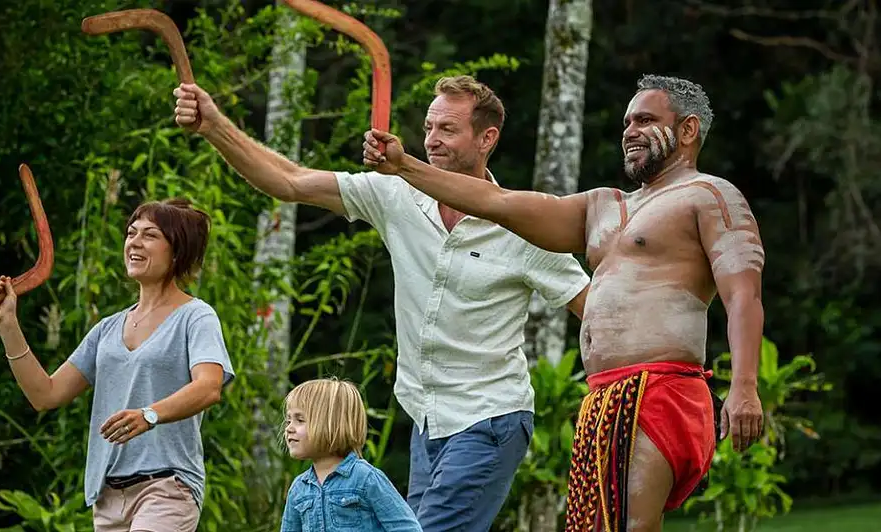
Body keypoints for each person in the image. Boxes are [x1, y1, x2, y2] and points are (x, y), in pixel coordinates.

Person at [173, 74, 590, 531]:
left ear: (487, 138)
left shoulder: (521, 224)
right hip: (425, 419)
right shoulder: (397, 196)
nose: (432, 140)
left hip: (489, 417)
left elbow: (594, 310)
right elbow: (289, 181)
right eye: (429, 127)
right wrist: (213, 124)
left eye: (447, 130)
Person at [361, 74, 766, 531]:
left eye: (646, 120)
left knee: (631, 526)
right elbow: (498, 203)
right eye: (627, 121)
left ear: (688, 130)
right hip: (604, 397)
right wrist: (404, 167)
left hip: (660, 389)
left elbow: (743, 295)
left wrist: (745, 385)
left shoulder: (708, 195)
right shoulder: (604, 205)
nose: (630, 131)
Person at [0, 198, 235, 532]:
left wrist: (149, 414)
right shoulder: (107, 329)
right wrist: (7, 324)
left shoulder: (196, 316)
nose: (134, 241)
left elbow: (209, 387)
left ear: (177, 251)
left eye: (150, 235)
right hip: (108, 498)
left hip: (166, 488)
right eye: (132, 233)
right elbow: (45, 394)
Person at [280, 378, 422, 531]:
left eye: (300, 420)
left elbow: (407, 528)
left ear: (332, 423)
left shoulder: (365, 478)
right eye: (288, 421)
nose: (289, 428)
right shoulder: (298, 489)